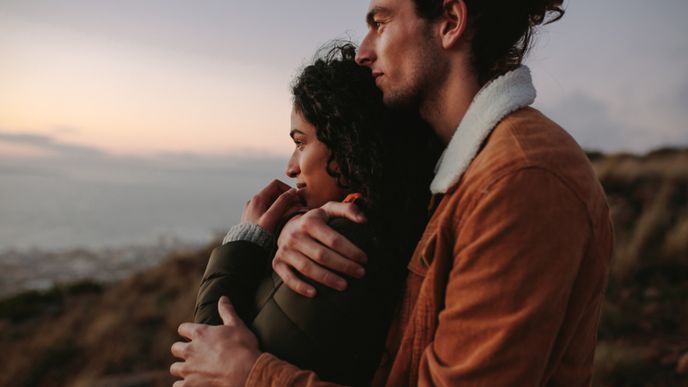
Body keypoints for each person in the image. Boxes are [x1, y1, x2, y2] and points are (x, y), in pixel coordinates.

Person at [171, 0, 614, 386]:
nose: (364, 52)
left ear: (450, 21)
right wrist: (298, 223)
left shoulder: (520, 181)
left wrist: (253, 377)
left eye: (380, 22)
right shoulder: (460, 171)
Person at [174, 43, 439, 386]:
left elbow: (205, 354)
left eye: (301, 143)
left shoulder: (340, 244)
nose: (290, 167)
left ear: (348, 145)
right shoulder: (391, 221)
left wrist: (246, 239)